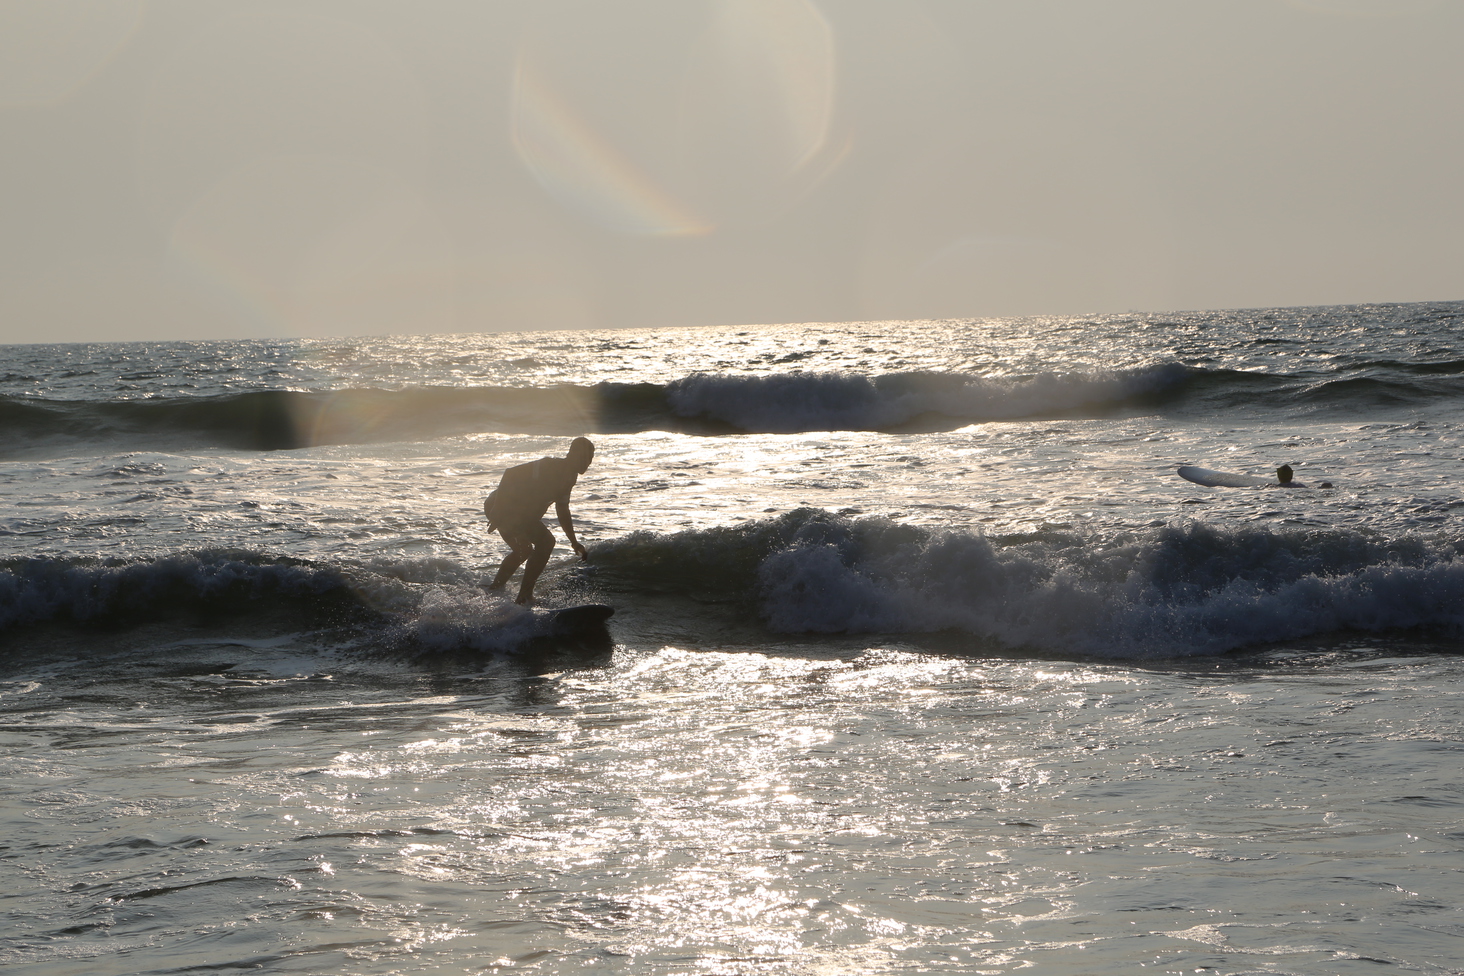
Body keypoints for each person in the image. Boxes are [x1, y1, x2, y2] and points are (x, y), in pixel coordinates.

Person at [482, 437, 594, 605]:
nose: (587, 463)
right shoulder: (549, 466)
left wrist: (574, 542)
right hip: (503, 506)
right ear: (571, 453)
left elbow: (562, 510)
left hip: (520, 514)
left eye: (590, 459)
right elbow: (510, 473)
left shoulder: (570, 478)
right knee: (546, 542)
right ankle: (524, 596)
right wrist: (498, 509)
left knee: (524, 549)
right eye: (584, 457)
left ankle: (494, 589)